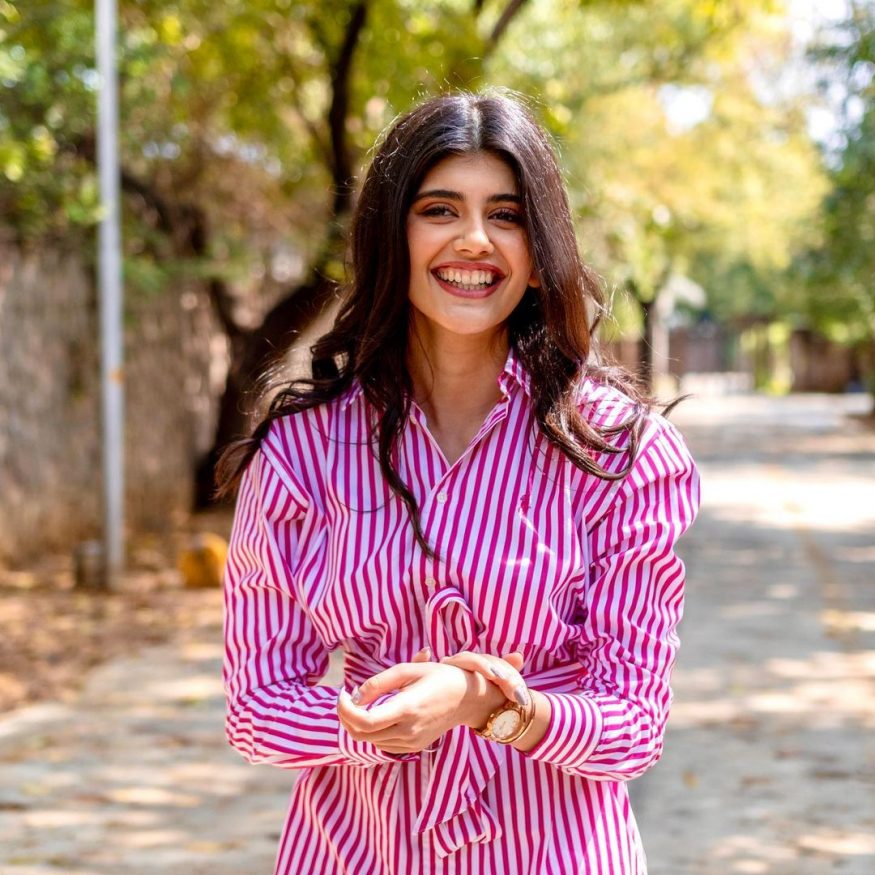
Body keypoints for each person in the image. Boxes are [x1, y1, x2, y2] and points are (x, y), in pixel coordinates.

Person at [217, 91, 700, 874]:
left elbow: (634, 723)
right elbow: (256, 705)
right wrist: (377, 723)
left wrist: (488, 706)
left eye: (506, 215)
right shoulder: (301, 452)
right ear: (392, 235)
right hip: (354, 853)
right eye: (439, 208)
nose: (473, 239)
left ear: (540, 250)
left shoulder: (621, 451)